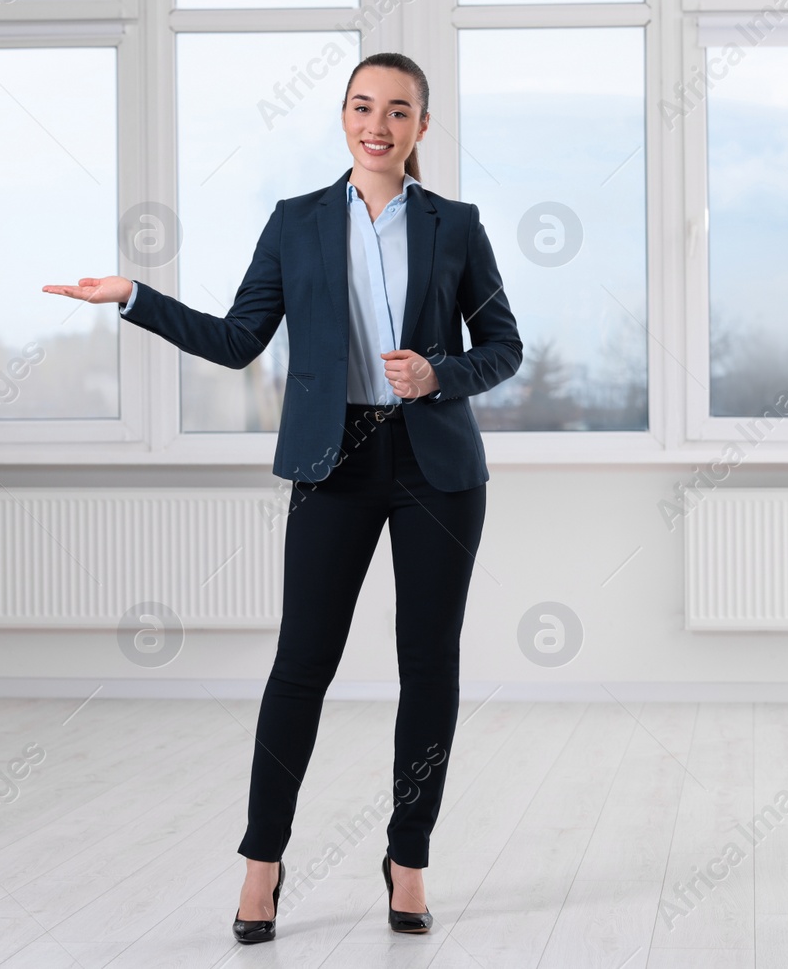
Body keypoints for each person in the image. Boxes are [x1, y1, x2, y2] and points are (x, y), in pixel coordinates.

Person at [43, 51, 522, 944]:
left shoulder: (456, 225)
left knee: (430, 667)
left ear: (423, 125)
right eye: (361, 106)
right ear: (343, 117)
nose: (377, 124)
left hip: (437, 470)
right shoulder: (297, 223)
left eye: (398, 110)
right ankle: (262, 863)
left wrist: (438, 373)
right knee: (301, 667)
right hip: (332, 462)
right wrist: (133, 296)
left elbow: (504, 345)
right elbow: (235, 340)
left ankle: (407, 858)